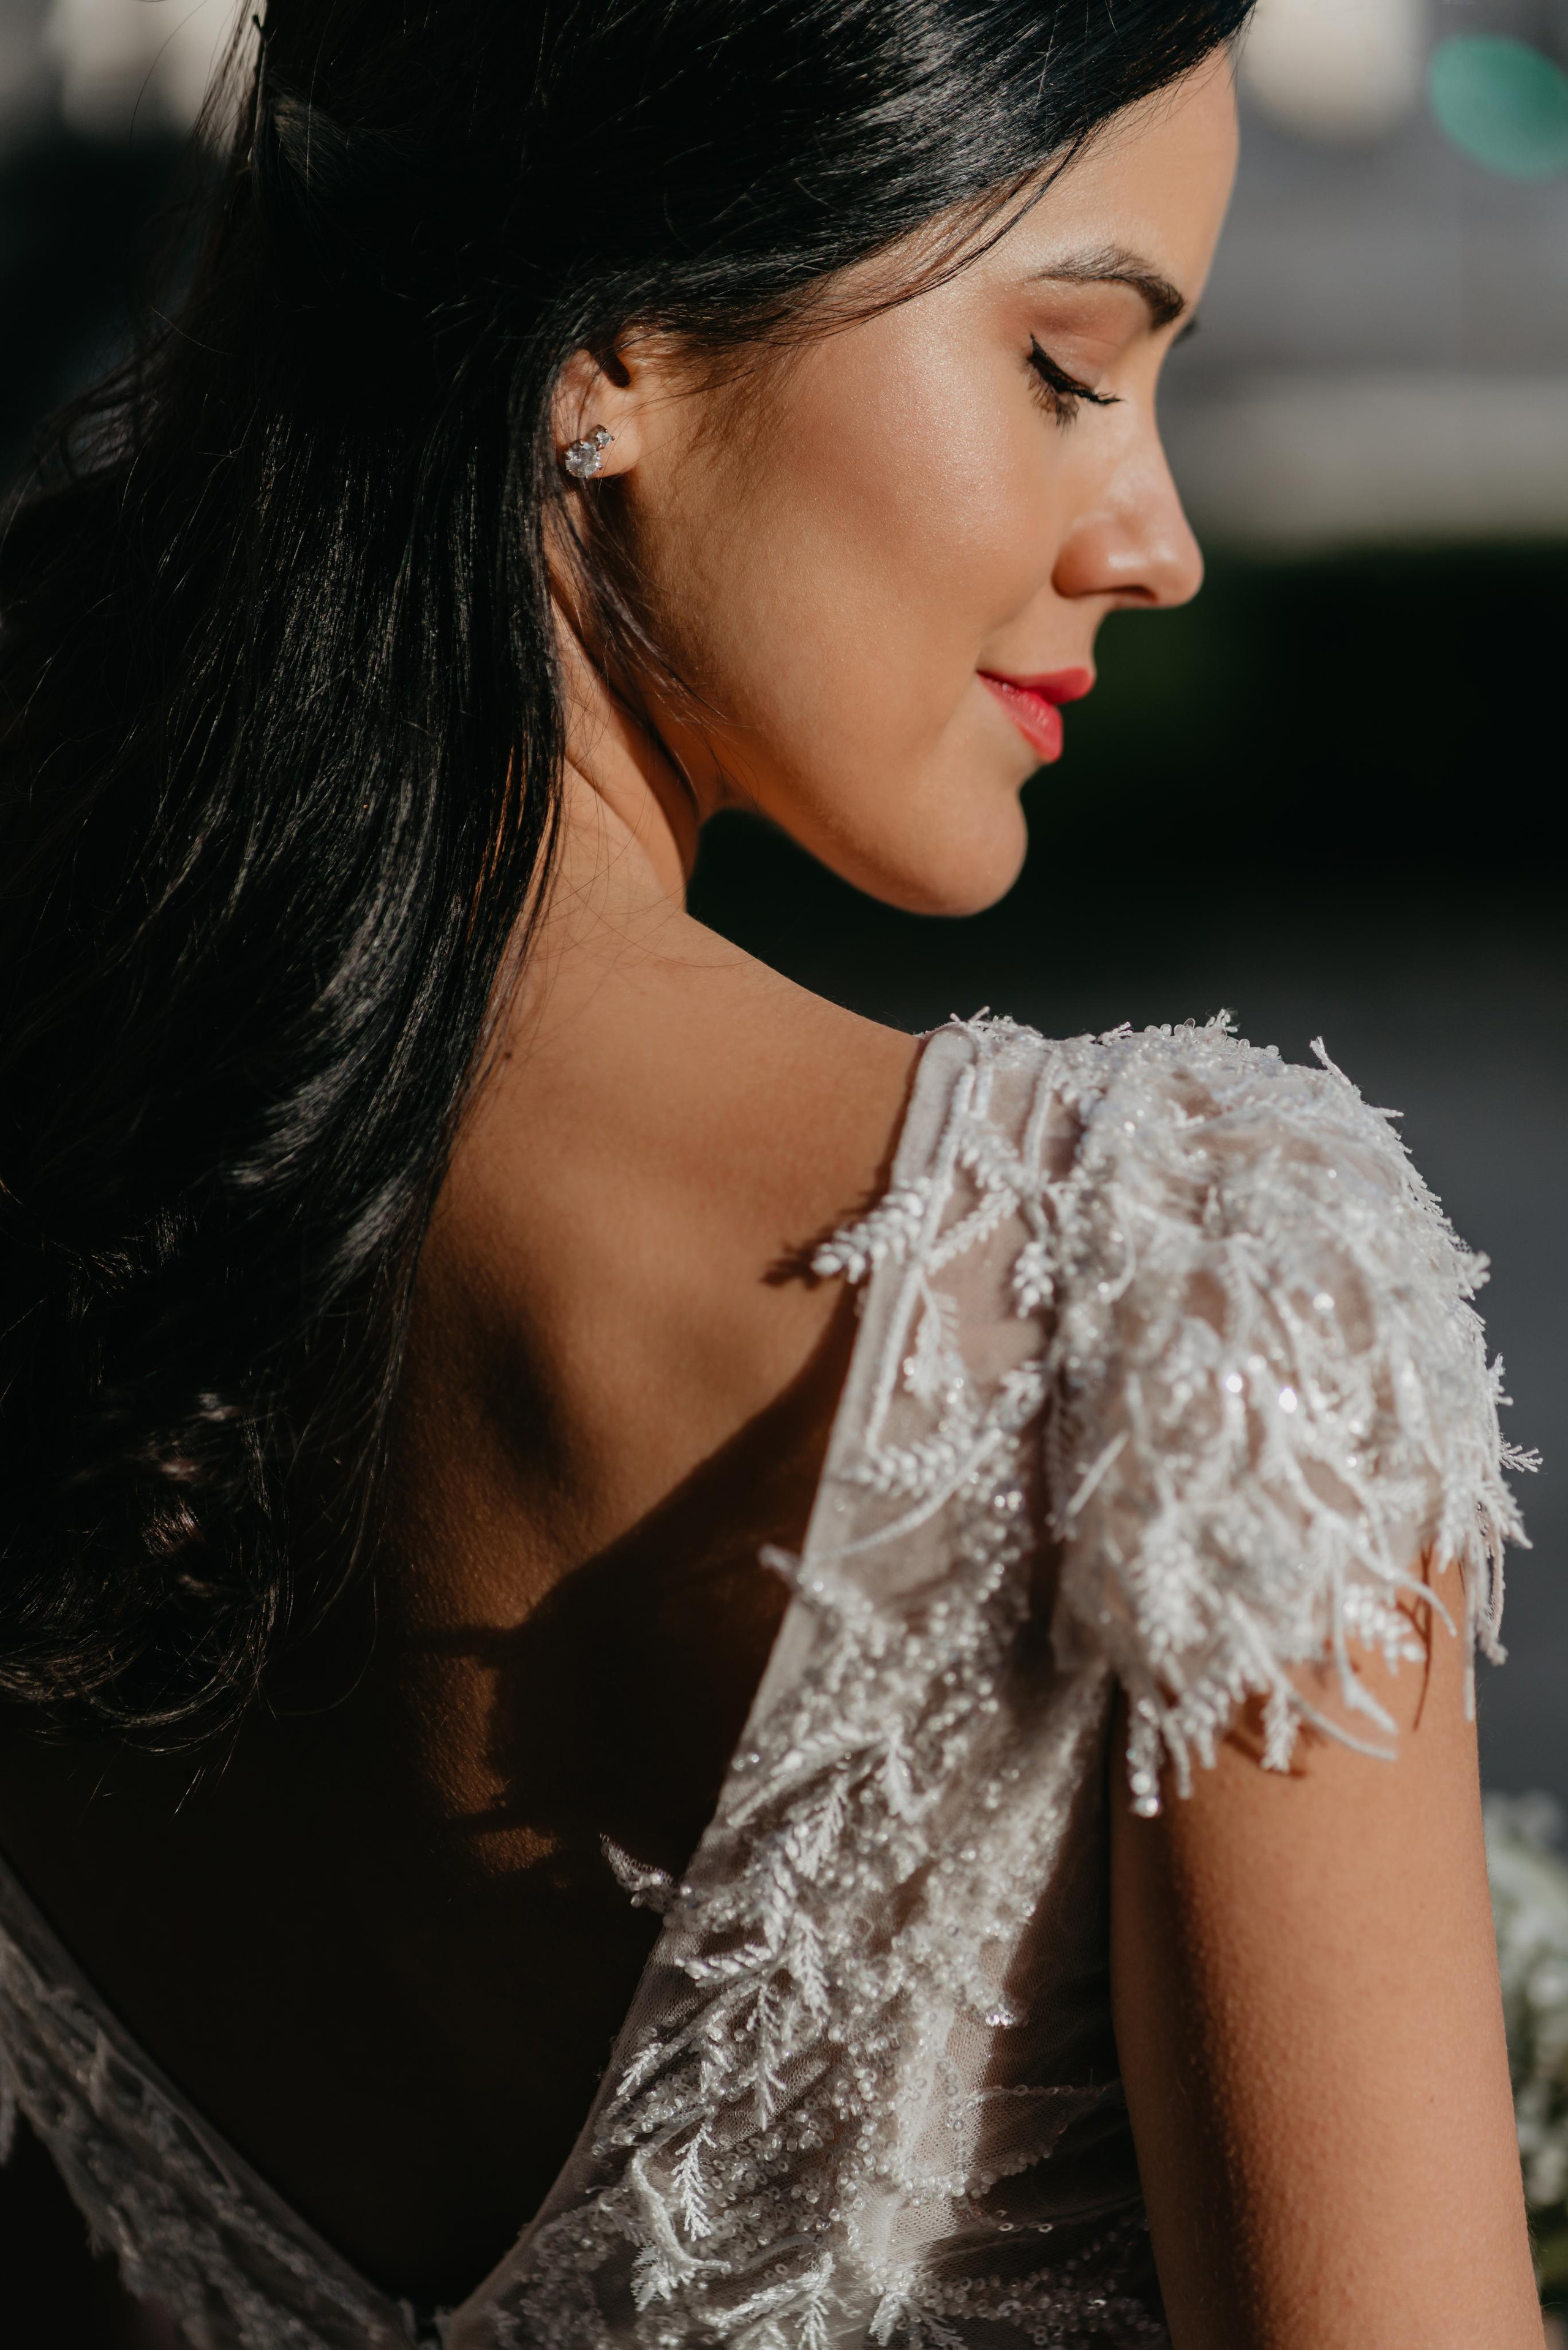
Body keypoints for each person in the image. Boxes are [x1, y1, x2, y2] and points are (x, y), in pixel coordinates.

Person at [0, 2, 1543, 2344]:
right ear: (611, 342)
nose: (1159, 543)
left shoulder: (84, 1195)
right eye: (1068, 367)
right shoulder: (1175, 1287)